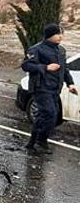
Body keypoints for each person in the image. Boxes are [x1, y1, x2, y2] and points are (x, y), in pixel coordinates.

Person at [22, 24, 78, 154]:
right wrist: (45, 67)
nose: (60, 36)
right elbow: (26, 65)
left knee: (44, 115)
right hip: (41, 87)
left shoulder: (61, 50)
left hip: (55, 88)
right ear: (49, 35)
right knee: (50, 114)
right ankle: (41, 141)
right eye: (57, 34)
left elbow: (64, 69)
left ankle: (32, 143)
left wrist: (70, 83)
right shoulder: (36, 49)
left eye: (62, 34)